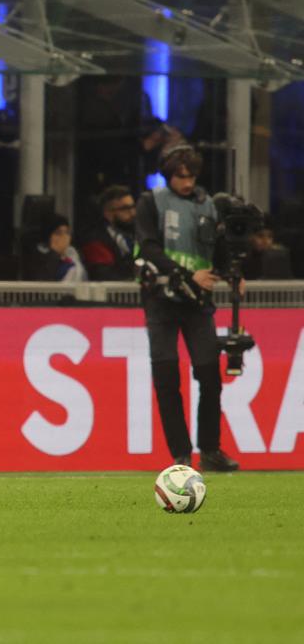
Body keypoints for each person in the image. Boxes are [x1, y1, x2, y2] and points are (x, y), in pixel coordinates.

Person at [135, 143, 239, 472]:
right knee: (167, 378)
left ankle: (210, 449)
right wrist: (185, 273)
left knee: (210, 377)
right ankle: (180, 454)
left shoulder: (209, 205)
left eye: (191, 175)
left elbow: (219, 249)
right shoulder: (151, 201)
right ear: (169, 175)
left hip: (199, 303)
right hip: (161, 299)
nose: (187, 182)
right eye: (181, 176)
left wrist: (231, 273)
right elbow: (148, 247)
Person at [81, 185, 137, 281]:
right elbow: (103, 275)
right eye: (125, 209)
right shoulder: (95, 240)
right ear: (108, 213)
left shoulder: (134, 235)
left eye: (133, 207)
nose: (133, 213)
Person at [23, 215, 87, 282]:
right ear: (48, 237)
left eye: (67, 233)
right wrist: (54, 254)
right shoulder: (37, 257)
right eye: (58, 233)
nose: (64, 237)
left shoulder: (74, 255)